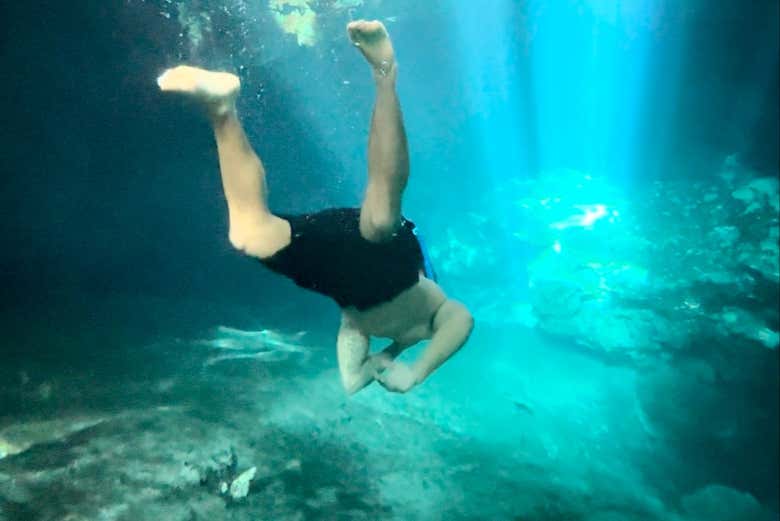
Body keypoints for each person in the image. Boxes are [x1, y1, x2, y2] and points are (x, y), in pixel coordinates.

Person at [157, 20, 474, 394]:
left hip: (337, 265)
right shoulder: (434, 311)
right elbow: (462, 319)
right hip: (391, 256)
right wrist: (416, 372)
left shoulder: (357, 325)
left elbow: (351, 381)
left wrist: (379, 363)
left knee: (249, 233)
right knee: (381, 221)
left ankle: (221, 109)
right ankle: (385, 70)